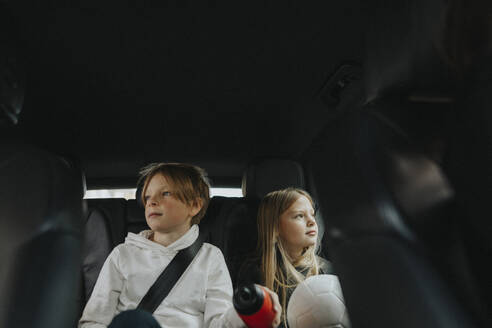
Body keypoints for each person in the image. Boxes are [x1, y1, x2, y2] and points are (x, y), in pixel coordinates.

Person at [79, 162, 281, 328]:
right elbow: (94, 320)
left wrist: (246, 313)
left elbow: (218, 322)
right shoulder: (123, 254)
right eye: (147, 197)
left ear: (194, 205)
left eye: (165, 193)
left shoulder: (210, 257)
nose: (152, 202)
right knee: (134, 321)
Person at [238, 188, 333, 328]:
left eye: (312, 215)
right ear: (275, 227)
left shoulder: (326, 271)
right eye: (299, 216)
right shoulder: (255, 272)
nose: (312, 221)